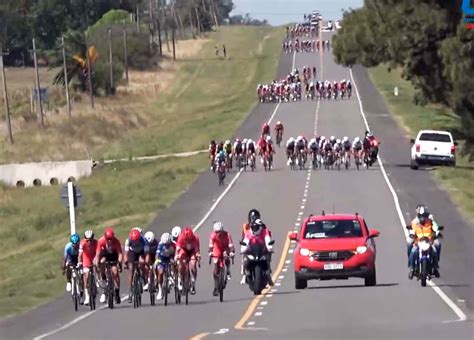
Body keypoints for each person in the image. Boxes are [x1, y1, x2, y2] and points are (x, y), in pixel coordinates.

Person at [408, 205, 441, 278]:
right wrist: (412, 235)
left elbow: (436, 228)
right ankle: (412, 268)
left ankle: (435, 267)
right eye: (421, 215)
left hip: (429, 241)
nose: (423, 217)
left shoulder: (430, 221)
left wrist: (437, 233)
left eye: (424, 215)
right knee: (413, 252)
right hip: (418, 242)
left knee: (436, 248)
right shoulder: (414, 222)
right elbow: (412, 230)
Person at [241, 219, 274, 287]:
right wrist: (244, 249)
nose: (255, 229)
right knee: (245, 260)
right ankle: (245, 274)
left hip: (262, 250)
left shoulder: (264, 232)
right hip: (252, 251)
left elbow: (267, 240)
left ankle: (268, 274)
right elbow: (246, 241)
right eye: (253, 227)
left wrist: (269, 247)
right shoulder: (248, 233)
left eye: (256, 227)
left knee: (267, 259)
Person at [96, 227, 122, 304]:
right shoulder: (101, 241)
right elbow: (98, 254)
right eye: (108, 239)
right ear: (105, 238)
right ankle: (104, 277)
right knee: (102, 261)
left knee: (115, 272)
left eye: (111, 239)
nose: (110, 241)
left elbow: (120, 254)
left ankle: (117, 292)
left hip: (113, 255)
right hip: (104, 255)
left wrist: (119, 263)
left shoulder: (116, 241)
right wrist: (98, 264)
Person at [208, 221, 235, 296]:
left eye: (219, 232)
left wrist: (232, 252)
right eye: (216, 232)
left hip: (225, 247)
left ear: (222, 230)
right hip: (217, 248)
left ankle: (228, 270)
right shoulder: (213, 235)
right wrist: (210, 253)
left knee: (226, 257)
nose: (218, 233)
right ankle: (216, 288)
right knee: (216, 267)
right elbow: (210, 246)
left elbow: (231, 246)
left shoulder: (227, 235)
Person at [124, 228, 148, 303]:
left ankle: (143, 278)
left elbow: (147, 254)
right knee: (131, 269)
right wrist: (125, 262)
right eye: (134, 240)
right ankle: (131, 290)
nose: (136, 241)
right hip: (132, 252)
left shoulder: (144, 240)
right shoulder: (128, 240)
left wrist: (146, 262)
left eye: (137, 240)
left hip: (141, 252)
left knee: (142, 262)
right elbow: (126, 253)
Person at [175, 227, 201, 294]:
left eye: (190, 239)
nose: (188, 241)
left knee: (193, 265)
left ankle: (193, 282)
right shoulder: (180, 238)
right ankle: (181, 278)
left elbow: (197, 250)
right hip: (184, 250)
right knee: (181, 261)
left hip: (192, 251)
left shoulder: (195, 238)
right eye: (186, 239)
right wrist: (177, 256)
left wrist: (198, 256)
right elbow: (178, 249)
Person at [78, 229, 98, 306]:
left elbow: (98, 253)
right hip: (86, 259)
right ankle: (87, 296)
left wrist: (96, 260)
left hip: (94, 257)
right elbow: (80, 255)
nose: (89, 242)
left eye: (90, 240)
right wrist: (80, 263)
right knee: (86, 276)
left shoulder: (96, 243)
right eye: (87, 240)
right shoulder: (82, 243)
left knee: (97, 267)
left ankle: (98, 280)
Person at [155, 232, 176, 300]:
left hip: (170, 257)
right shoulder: (160, 245)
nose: (166, 245)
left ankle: (173, 275)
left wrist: (176, 259)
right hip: (162, 258)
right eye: (165, 244)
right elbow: (157, 255)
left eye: (168, 244)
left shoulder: (174, 244)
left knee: (174, 263)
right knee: (160, 272)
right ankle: (160, 290)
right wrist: (157, 260)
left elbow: (177, 253)